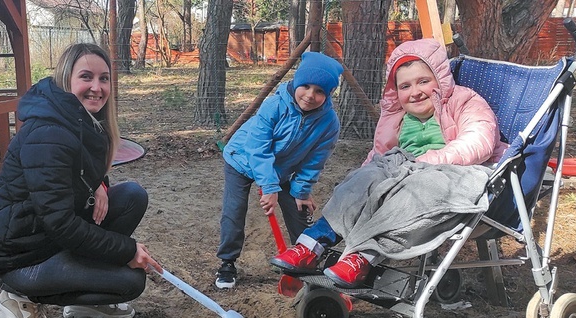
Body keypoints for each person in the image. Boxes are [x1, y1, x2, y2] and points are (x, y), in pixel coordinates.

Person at [271, 38, 509, 288]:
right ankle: (310, 246)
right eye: (405, 86)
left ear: (440, 79)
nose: (415, 92)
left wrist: (430, 161)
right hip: (402, 167)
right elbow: (379, 154)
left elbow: (480, 140)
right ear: (396, 91)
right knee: (359, 183)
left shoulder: (464, 101)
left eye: (424, 82)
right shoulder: (396, 115)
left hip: (452, 173)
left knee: (410, 197)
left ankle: (361, 258)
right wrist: (361, 184)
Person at [0, 43, 163, 318]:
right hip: (20, 257)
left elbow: (80, 171)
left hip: (46, 238)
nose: (97, 87)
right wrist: (126, 250)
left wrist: (100, 183)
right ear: (66, 80)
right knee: (129, 282)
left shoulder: (81, 121)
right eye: (86, 77)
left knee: (131, 196)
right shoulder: (48, 134)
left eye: (104, 78)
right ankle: (16, 299)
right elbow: (61, 224)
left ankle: (85, 307)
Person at [215, 51, 344, 289]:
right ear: (296, 82)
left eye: (320, 91)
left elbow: (315, 160)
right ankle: (227, 263)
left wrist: (302, 190)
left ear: (329, 95)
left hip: (281, 168)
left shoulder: (329, 123)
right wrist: (269, 187)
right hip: (242, 159)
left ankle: (306, 260)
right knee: (234, 210)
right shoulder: (274, 105)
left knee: (298, 211)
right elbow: (258, 148)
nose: (310, 95)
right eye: (305, 86)